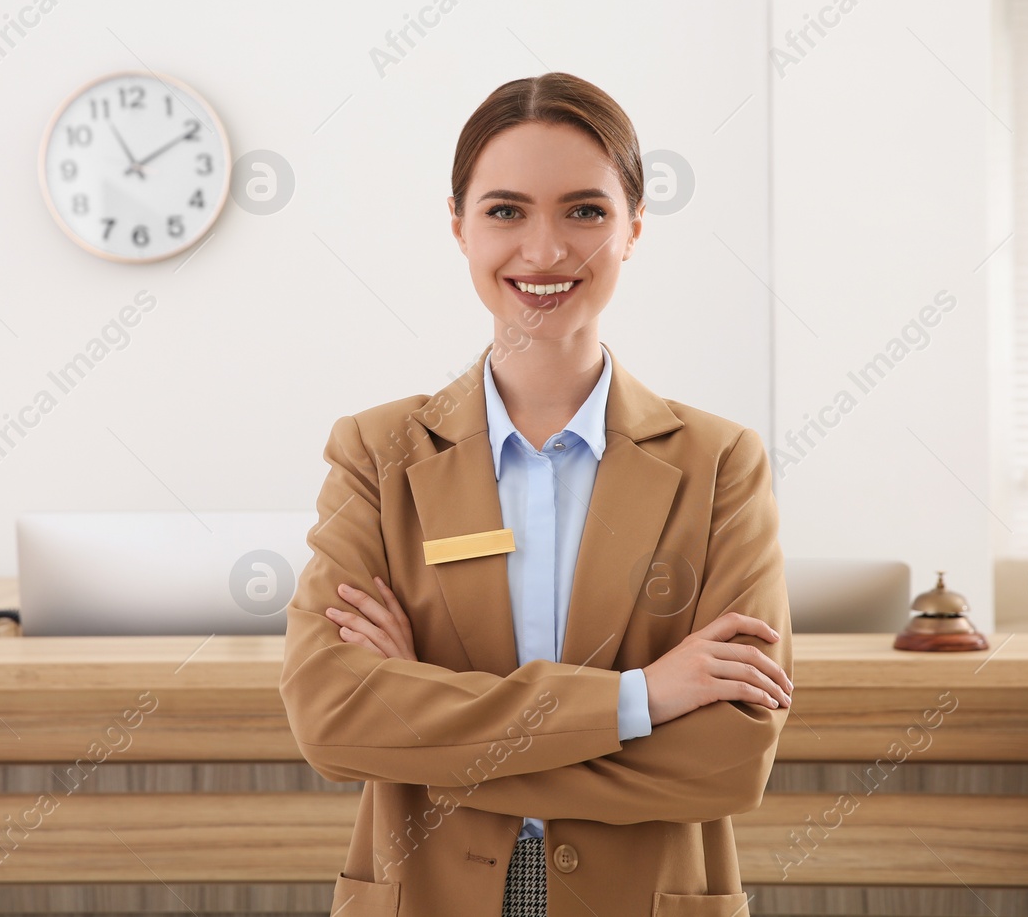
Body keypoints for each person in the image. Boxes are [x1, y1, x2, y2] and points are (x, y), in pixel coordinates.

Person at [280, 72, 793, 917]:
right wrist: (643, 698)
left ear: (634, 230)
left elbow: (727, 758)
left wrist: (423, 717)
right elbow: (333, 718)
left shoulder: (719, 463)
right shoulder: (377, 454)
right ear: (458, 226)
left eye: (585, 211)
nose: (546, 251)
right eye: (506, 210)